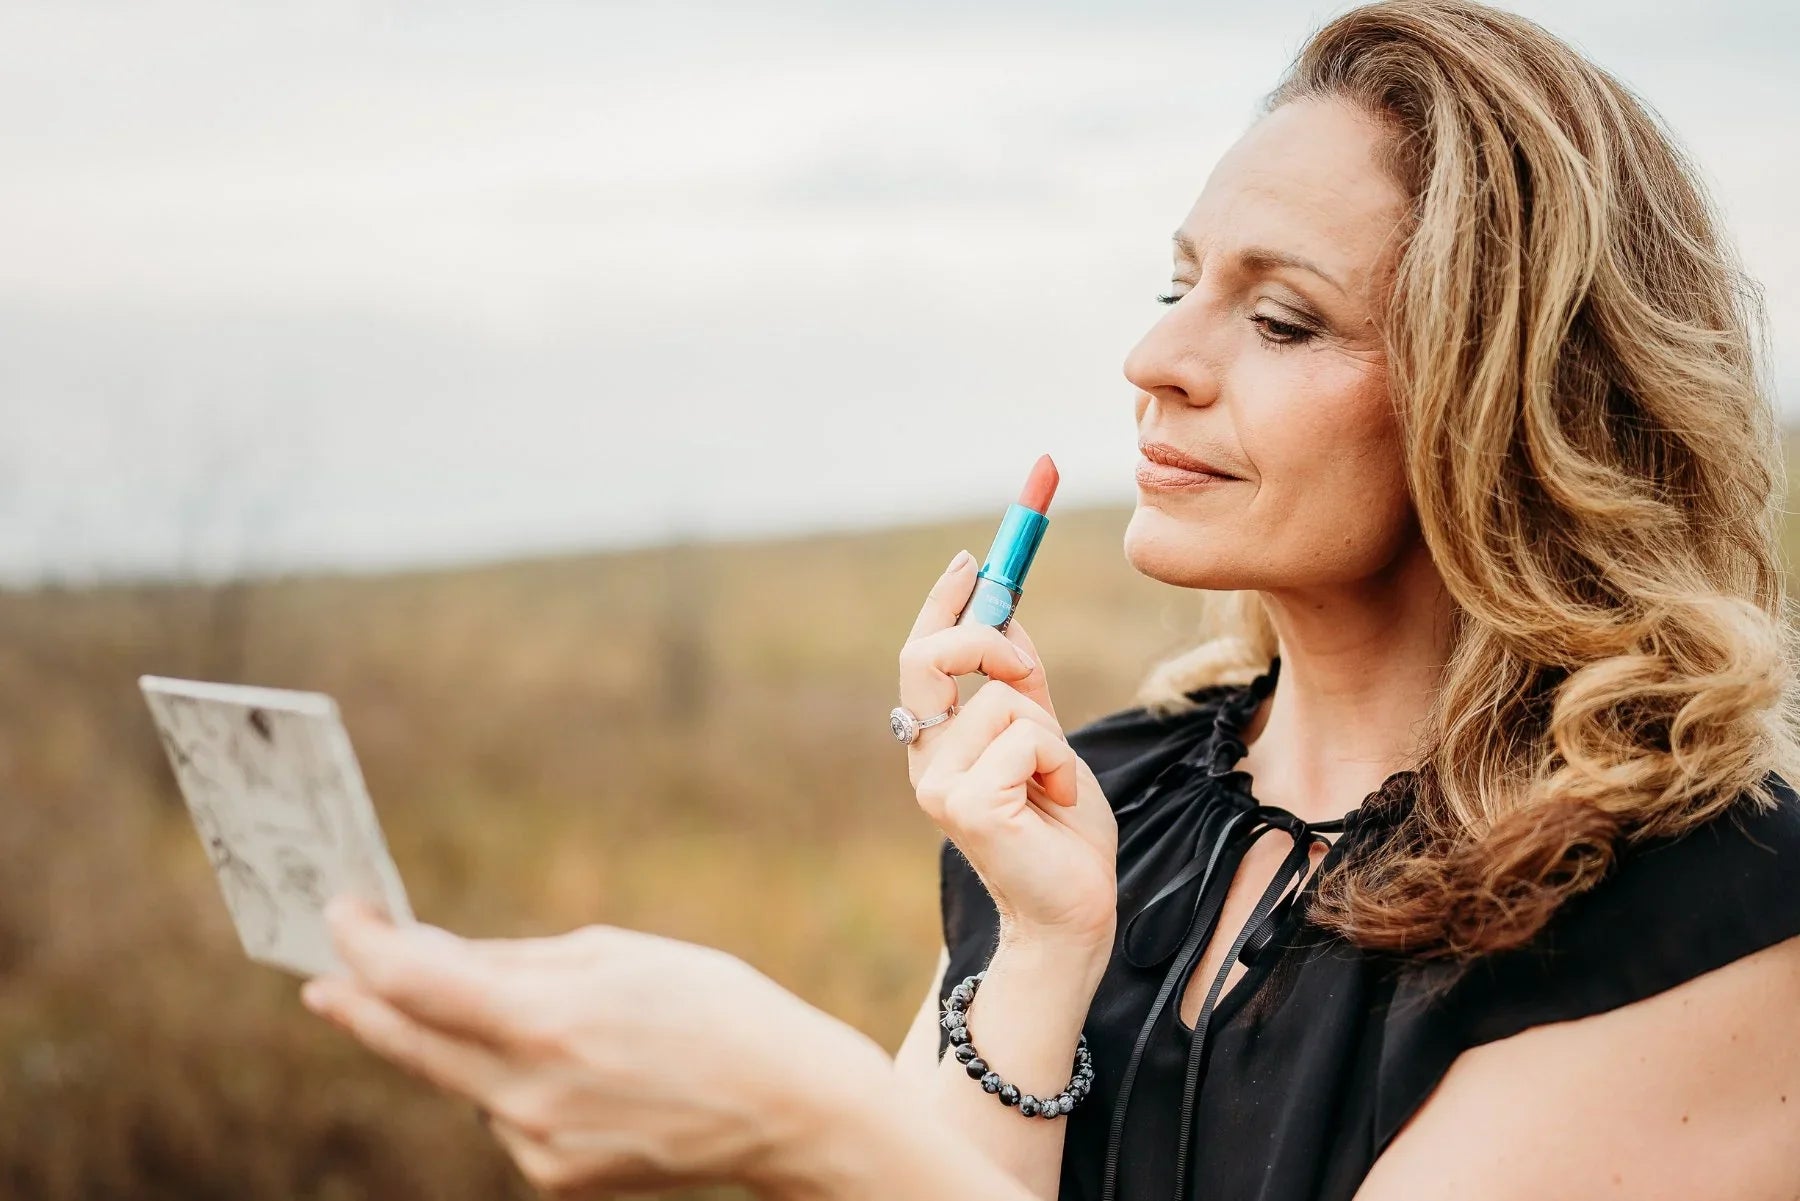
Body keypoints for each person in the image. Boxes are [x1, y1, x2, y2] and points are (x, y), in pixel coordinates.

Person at [298, 1, 1800, 1197]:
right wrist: (1047, 939)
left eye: (1280, 315)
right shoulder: (1118, 802)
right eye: (1177, 285)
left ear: (1511, 399)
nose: (1158, 361)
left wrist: (799, 1114)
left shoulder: (1703, 900)